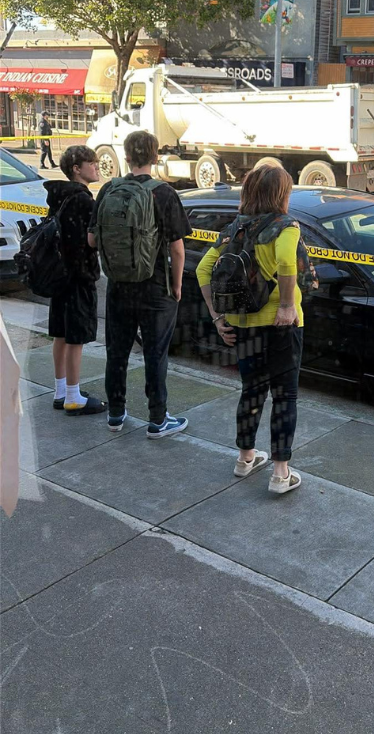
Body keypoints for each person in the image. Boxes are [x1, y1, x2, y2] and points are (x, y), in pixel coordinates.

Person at [196, 164, 304, 495]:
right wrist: (286, 305)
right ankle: (280, 473)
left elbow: (203, 269)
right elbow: (287, 261)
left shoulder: (235, 229)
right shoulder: (286, 227)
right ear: (281, 194)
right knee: (285, 395)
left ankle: (244, 459)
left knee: (251, 390)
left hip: (244, 327)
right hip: (281, 326)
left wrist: (218, 318)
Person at [89, 130, 191, 437]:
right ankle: (158, 419)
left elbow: (93, 239)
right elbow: (177, 247)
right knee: (155, 354)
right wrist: (176, 286)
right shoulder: (164, 193)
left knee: (116, 352)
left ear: (127, 156)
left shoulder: (109, 188)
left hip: (119, 284)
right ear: (155, 157)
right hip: (155, 286)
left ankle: (116, 415)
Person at [46, 146, 106, 415]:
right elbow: (90, 241)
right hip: (78, 277)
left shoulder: (58, 196)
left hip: (58, 276)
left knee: (60, 334)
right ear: (76, 169)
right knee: (75, 339)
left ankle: (61, 391)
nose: (96, 166)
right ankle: (73, 395)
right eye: (91, 163)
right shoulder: (83, 200)